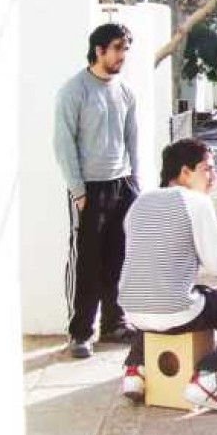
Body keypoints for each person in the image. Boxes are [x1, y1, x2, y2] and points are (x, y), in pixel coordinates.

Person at [118, 138, 217, 411]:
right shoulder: (196, 202)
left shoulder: (139, 202)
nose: (214, 176)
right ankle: (210, 380)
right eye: (207, 169)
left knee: (162, 287)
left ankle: (135, 369)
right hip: (176, 311)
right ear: (185, 172)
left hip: (133, 312)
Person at [53, 22, 140, 359]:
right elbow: (63, 144)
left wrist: (136, 183)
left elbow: (132, 139)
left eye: (126, 49)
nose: (123, 55)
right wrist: (77, 190)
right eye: (118, 48)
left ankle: (114, 323)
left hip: (122, 184)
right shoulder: (74, 90)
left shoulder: (126, 91)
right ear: (99, 50)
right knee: (87, 261)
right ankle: (81, 332)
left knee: (117, 258)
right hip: (88, 188)